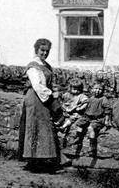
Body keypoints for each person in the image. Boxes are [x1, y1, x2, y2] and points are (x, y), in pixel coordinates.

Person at [18, 38, 62, 173]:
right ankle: (33, 161)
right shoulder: (33, 66)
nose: (44, 53)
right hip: (36, 98)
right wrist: (51, 99)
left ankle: (41, 160)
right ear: (36, 50)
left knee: (43, 127)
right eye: (42, 50)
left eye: (47, 51)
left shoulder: (46, 65)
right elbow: (37, 85)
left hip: (42, 98)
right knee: (34, 127)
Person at [57, 79, 89, 166]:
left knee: (72, 121)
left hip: (75, 114)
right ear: (70, 88)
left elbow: (86, 103)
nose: (76, 91)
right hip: (66, 113)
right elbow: (61, 99)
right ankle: (60, 125)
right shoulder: (67, 95)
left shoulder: (81, 96)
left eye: (78, 89)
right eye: (74, 88)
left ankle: (63, 127)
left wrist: (79, 108)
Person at [84, 82, 112, 158]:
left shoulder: (103, 99)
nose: (97, 90)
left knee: (90, 128)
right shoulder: (91, 98)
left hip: (98, 119)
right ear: (92, 89)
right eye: (96, 88)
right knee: (79, 125)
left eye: (100, 89)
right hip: (89, 118)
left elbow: (107, 110)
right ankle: (77, 142)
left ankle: (92, 147)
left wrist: (106, 120)